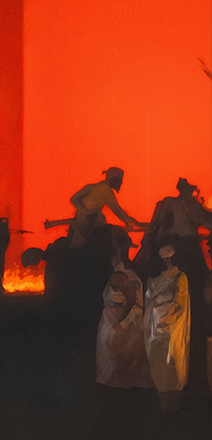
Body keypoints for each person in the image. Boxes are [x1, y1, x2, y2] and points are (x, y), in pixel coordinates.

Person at [96, 235, 150, 389]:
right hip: (112, 323)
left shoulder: (130, 277)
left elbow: (135, 305)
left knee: (125, 364)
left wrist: (122, 323)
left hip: (126, 327)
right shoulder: (115, 275)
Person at [144, 243, 190, 409]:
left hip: (173, 329)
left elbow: (180, 302)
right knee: (157, 365)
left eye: (170, 258)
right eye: (165, 259)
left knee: (173, 365)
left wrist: (167, 318)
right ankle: (161, 403)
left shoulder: (180, 277)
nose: (168, 262)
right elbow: (149, 300)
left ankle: (174, 404)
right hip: (154, 329)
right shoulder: (153, 281)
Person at [69, 167, 143, 248]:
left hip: (88, 217)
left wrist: (81, 210)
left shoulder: (92, 186)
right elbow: (116, 209)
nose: (120, 183)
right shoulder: (106, 191)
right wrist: (128, 219)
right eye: (118, 181)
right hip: (88, 221)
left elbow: (74, 198)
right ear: (113, 180)